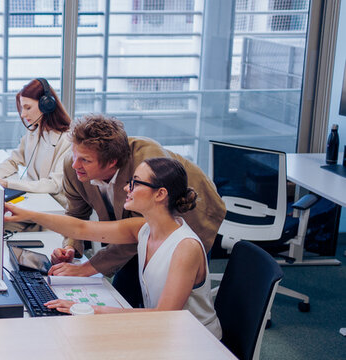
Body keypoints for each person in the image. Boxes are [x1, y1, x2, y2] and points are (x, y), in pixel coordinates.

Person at [5, 158, 222, 339]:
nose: (127, 188)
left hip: (195, 341)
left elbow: (163, 316)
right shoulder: (144, 229)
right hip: (164, 332)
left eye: (136, 183)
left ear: (160, 194)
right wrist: (29, 215)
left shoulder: (185, 247)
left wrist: (86, 309)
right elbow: (82, 228)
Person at [49, 114, 225, 308]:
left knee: (179, 297)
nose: (75, 165)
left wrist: (87, 269)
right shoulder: (74, 166)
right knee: (127, 295)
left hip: (189, 214)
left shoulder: (146, 163)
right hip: (142, 228)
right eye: (75, 156)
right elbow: (76, 214)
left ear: (111, 162)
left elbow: (137, 232)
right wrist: (71, 248)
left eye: (85, 160)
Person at [0, 79, 72, 232]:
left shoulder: (67, 140)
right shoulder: (34, 130)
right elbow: (14, 160)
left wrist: (7, 184)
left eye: (28, 108)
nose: (22, 114)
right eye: (22, 108)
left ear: (47, 106)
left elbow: (53, 185)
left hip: (53, 211)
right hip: (35, 202)